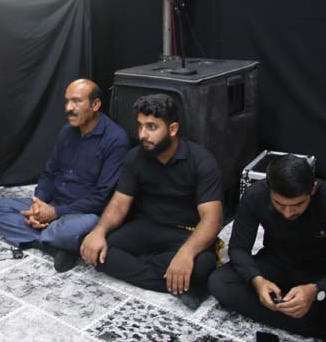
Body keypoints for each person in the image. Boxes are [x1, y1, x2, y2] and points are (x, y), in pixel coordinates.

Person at [208, 155, 326, 340]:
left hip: (324, 273)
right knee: (220, 281)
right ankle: (321, 331)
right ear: (269, 190)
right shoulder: (255, 195)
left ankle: (287, 313)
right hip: (277, 264)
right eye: (279, 204)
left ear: (313, 189)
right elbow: (238, 248)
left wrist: (316, 290)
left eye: (298, 204)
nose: (288, 213)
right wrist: (257, 281)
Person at [80, 94, 223, 310]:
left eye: (151, 127)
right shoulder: (134, 157)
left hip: (186, 232)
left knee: (203, 265)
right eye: (140, 126)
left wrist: (185, 254)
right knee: (100, 250)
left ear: (173, 129)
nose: (142, 134)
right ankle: (179, 283)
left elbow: (212, 219)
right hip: (147, 227)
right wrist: (99, 232)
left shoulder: (202, 161)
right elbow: (119, 204)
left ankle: (171, 271)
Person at [0, 79, 130, 272]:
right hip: (55, 203)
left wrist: (55, 213)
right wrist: (38, 204)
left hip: (84, 213)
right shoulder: (67, 131)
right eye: (67, 101)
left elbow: (102, 198)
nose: (69, 108)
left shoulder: (116, 140)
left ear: (95, 105)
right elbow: (49, 173)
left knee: (71, 230)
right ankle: (51, 245)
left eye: (76, 101)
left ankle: (49, 237)